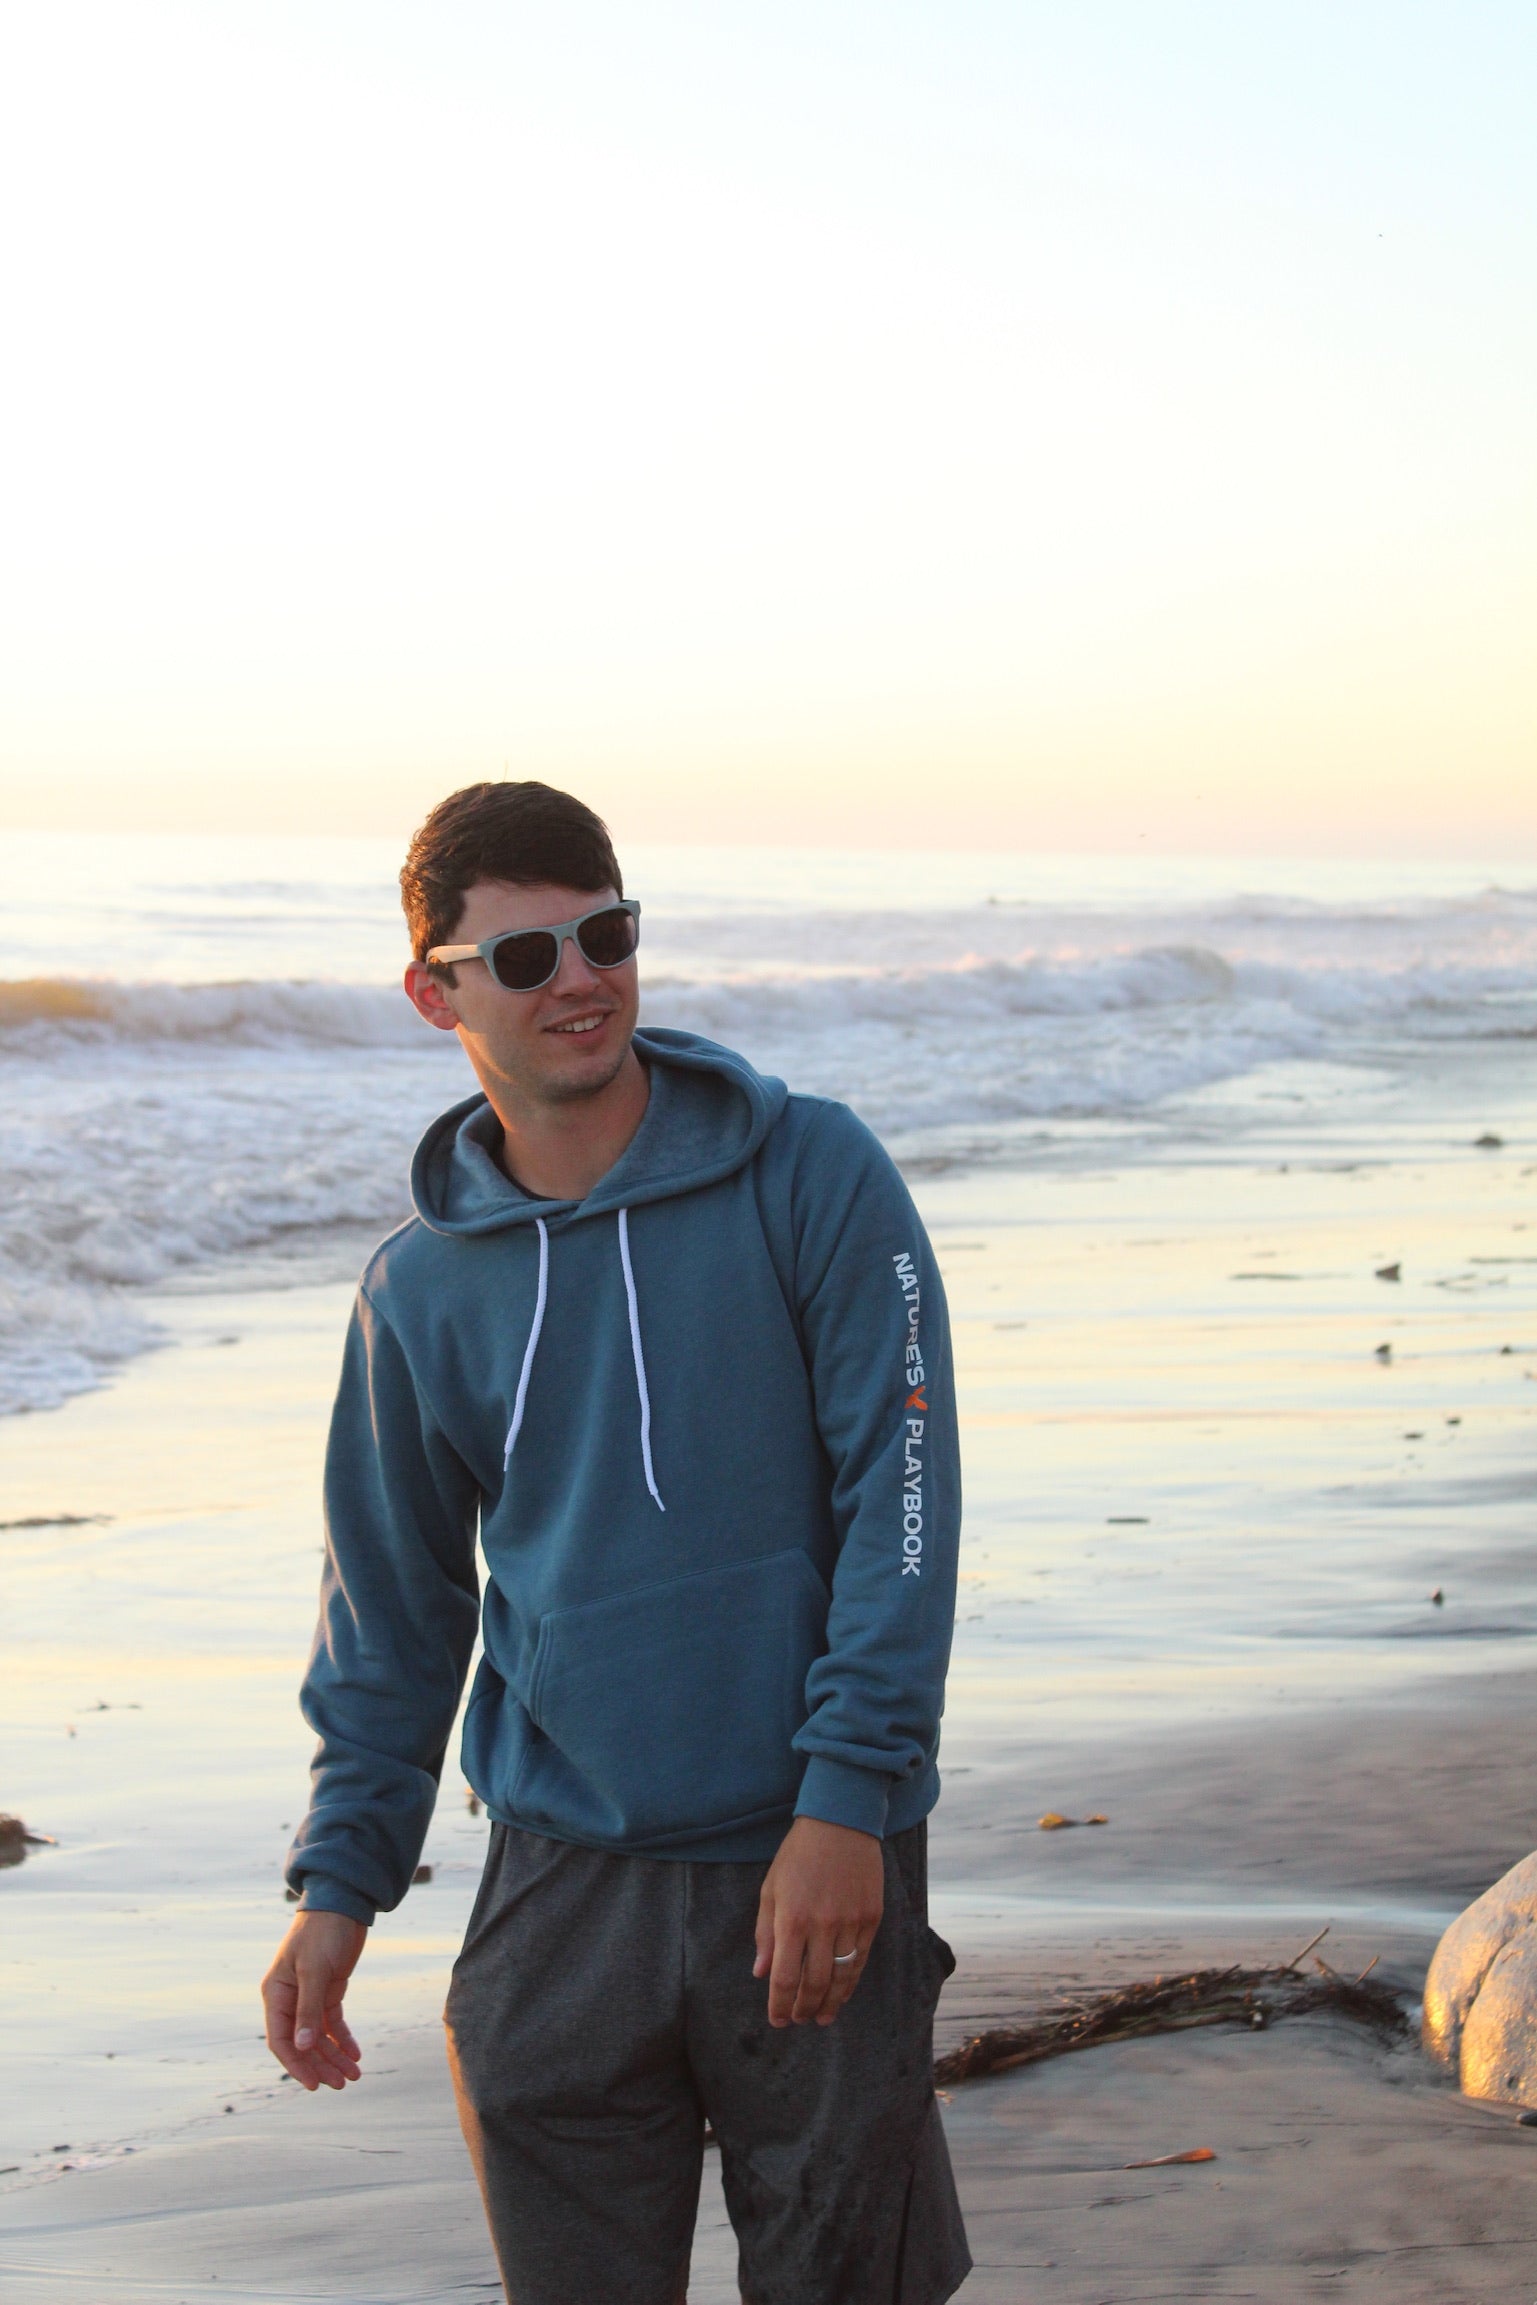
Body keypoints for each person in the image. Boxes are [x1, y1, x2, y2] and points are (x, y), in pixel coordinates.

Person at [260, 780, 970, 2305]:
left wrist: (847, 1798)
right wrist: (338, 1885)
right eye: (524, 957)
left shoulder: (815, 1173)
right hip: (557, 1887)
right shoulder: (417, 1288)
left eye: (607, 935)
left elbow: (903, 1502)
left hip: (806, 1853)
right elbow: (390, 1611)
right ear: (433, 992)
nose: (579, 979)